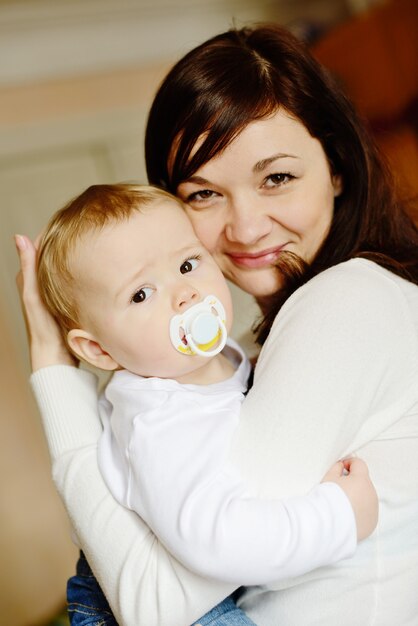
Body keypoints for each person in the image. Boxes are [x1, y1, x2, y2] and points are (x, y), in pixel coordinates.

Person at [15, 23, 418, 626]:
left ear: (336, 167)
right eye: (203, 194)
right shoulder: (247, 348)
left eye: (276, 177)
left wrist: (51, 367)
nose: (246, 227)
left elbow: (153, 603)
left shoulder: (347, 300)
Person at [36, 182, 375, 626]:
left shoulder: (220, 357)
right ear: (99, 352)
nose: (185, 294)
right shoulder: (161, 422)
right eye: (141, 293)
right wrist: (337, 518)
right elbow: (215, 538)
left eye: (187, 263)